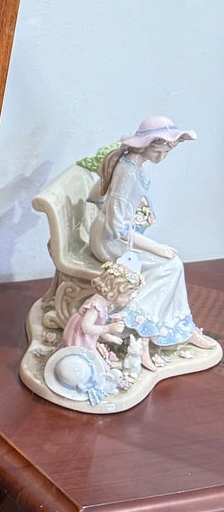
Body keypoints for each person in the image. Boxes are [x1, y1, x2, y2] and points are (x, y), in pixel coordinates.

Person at [87, 117, 212, 368]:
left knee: (173, 264)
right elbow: (118, 228)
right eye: (159, 149)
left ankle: (180, 327)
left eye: (168, 150)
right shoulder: (127, 172)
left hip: (116, 233)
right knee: (169, 265)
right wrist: (156, 247)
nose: (163, 156)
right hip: (110, 241)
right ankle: (139, 333)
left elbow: (101, 198)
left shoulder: (132, 165)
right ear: (144, 145)